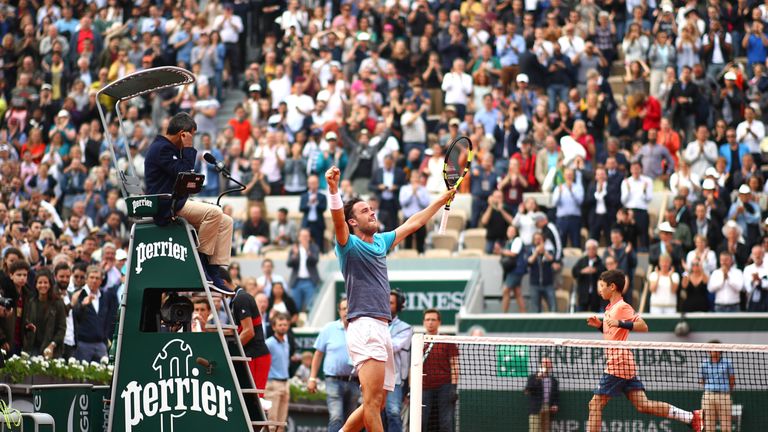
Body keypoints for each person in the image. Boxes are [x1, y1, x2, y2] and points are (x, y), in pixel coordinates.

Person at [326, 164, 453, 432]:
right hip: (365, 327)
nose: (371, 212)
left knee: (379, 402)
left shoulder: (381, 241)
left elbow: (414, 222)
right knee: (372, 404)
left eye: (371, 208)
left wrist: (441, 199)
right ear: (352, 222)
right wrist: (333, 190)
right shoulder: (347, 244)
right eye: (364, 211)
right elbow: (337, 218)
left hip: (382, 327)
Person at [586, 269, 702, 432]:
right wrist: (600, 326)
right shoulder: (609, 309)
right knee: (643, 405)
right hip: (624, 364)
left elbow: (643, 326)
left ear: (612, 287)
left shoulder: (622, 306)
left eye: (602, 286)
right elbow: (613, 333)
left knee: (594, 404)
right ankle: (690, 417)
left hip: (618, 364)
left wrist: (619, 323)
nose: (600, 289)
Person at [144, 112, 233, 289]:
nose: (193, 138)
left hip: (178, 200)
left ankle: (214, 271)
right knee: (214, 212)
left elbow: (185, 178)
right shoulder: (162, 148)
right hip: (167, 204)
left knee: (226, 221)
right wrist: (188, 148)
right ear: (183, 133)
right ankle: (200, 262)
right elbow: (184, 172)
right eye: (192, 133)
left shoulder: (169, 148)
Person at [308, 298, 361, 432]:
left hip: (355, 381)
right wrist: (312, 378)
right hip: (333, 380)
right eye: (343, 309)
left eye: (349, 308)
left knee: (352, 420)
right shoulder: (329, 328)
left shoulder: (360, 329)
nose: (346, 312)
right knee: (336, 417)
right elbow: (318, 354)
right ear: (339, 311)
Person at [227, 268, 270, 396]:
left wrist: (230, 351)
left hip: (256, 356)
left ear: (223, 282)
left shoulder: (241, 299)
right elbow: (239, 329)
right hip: (251, 355)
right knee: (248, 398)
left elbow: (248, 332)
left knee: (255, 399)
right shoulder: (236, 299)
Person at [421, 309, 459, 432]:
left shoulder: (447, 340)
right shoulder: (417, 341)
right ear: (424, 322)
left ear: (439, 322)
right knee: (422, 421)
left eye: (433, 319)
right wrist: (412, 388)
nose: (430, 322)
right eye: (427, 320)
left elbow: (454, 365)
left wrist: (454, 387)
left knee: (445, 422)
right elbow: (413, 367)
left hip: (445, 387)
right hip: (424, 387)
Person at [73, 265, 117, 361]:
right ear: (86, 279)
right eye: (91, 277)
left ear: (101, 281)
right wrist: (83, 305)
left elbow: (108, 318)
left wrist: (106, 337)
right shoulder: (78, 294)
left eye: (97, 278)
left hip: (101, 343)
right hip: (83, 343)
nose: (94, 280)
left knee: (103, 374)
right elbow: (75, 317)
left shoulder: (105, 297)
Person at [385, 289, 413, 432]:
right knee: (372, 414)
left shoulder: (406, 328)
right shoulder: (376, 325)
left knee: (394, 412)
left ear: (399, 306)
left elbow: (393, 346)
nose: (386, 305)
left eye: (390, 303)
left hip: (394, 380)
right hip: (373, 378)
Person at [22, 271, 66, 358]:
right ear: (35, 285)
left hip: (51, 348)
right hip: (32, 347)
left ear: (50, 285)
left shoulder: (58, 303)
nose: (43, 285)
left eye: (45, 282)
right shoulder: (31, 302)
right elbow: (25, 323)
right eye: (40, 282)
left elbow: (61, 328)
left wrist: (52, 345)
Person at [699, 340, 735, 432]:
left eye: (715, 348)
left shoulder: (728, 363)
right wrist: (709, 389)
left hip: (724, 395)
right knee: (708, 424)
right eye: (710, 348)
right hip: (708, 396)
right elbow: (702, 380)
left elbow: (732, 380)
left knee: (726, 425)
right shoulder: (704, 364)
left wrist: (726, 391)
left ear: (720, 350)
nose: (712, 350)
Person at [265, 313, 292, 431]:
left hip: (285, 383)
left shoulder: (286, 343)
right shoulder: (269, 343)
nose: (283, 327)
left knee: (281, 423)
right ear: (274, 327)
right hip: (272, 384)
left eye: (285, 325)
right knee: (271, 423)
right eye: (280, 325)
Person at [287, 229, 321, 313]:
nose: (305, 238)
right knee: (295, 306)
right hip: (297, 281)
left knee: (310, 306)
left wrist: (307, 251)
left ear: (309, 238)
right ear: (299, 238)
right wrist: (294, 254)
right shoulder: (294, 248)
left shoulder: (314, 247)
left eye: (307, 236)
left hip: (310, 281)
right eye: (303, 236)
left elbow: (315, 260)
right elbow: (289, 264)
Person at [524, 357, 560, 432]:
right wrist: (538, 378)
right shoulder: (533, 377)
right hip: (536, 408)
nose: (546, 365)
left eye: (548, 363)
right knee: (534, 430)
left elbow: (556, 395)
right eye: (544, 363)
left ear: (551, 366)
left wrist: (555, 405)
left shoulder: (554, 381)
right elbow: (527, 391)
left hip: (548, 408)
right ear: (541, 364)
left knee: (545, 430)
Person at [573, 239, 606, 312]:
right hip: (583, 293)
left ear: (596, 249)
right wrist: (583, 271)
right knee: (581, 315)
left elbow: (604, 273)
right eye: (589, 249)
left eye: (593, 249)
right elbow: (574, 272)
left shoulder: (600, 261)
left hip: (595, 295)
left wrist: (595, 270)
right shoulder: (582, 261)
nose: (591, 251)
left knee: (595, 315)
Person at [528, 231, 556, 312]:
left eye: (539, 239)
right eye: (536, 239)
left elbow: (551, 259)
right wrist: (536, 252)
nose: (538, 241)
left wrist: (544, 251)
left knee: (553, 307)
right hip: (535, 284)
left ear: (543, 240)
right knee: (535, 309)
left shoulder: (549, 249)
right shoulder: (530, 250)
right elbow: (529, 262)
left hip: (548, 283)